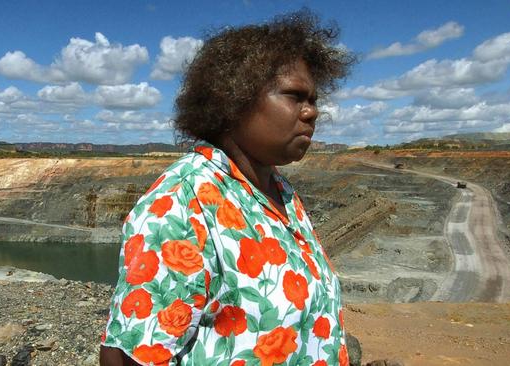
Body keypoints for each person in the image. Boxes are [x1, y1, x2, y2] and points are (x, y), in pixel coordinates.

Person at [100, 9, 354, 366]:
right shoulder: (183, 202)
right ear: (232, 99)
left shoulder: (280, 193)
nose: (311, 112)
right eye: (294, 96)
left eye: (313, 99)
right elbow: (125, 357)